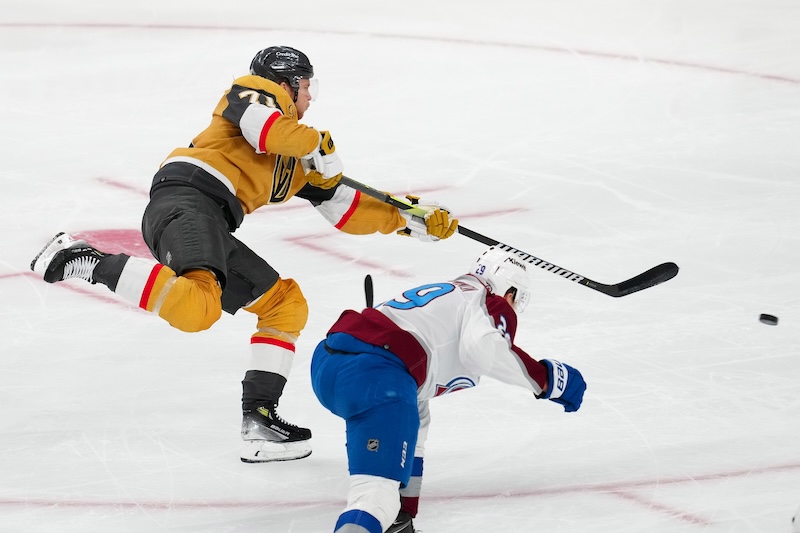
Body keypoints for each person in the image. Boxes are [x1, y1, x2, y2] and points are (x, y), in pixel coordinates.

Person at [30, 45, 458, 464]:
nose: (310, 97)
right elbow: (271, 132)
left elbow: (346, 207)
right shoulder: (251, 92)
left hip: (212, 220)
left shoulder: (296, 163)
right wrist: (318, 145)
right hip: (186, 199)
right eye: (306, 87)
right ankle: (86, 260)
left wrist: (410, 219)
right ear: (286, 83)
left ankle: (259, 419)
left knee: (285, 305)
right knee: (198, 308)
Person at [310, 246, 587, 533]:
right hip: (377, 377)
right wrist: (547, 379)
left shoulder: (451, 295)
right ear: (510, 290)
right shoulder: (490, 302)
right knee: (375, 496)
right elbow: (483, 351)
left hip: (328, 363)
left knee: (411, 426)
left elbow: (413, 422)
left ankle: (398, 518)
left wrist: (405, 510)